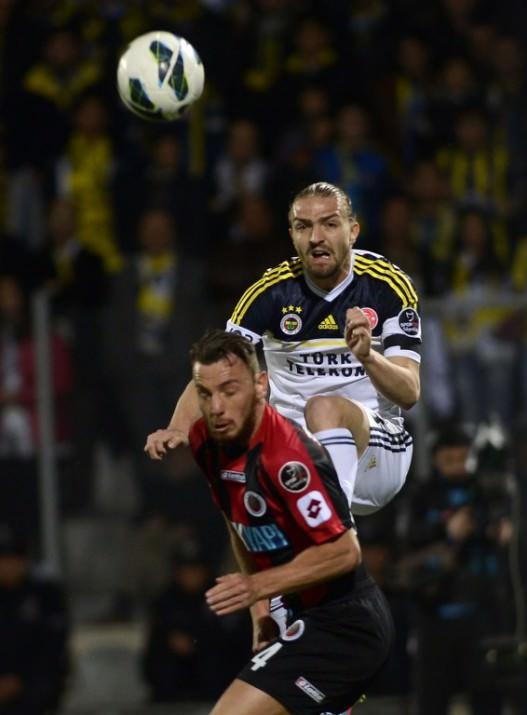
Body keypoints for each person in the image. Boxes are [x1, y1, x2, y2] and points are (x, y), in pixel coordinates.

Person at [145, 181, 421, 519]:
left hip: (377, 456)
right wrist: (177, 427)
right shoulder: (270, 293)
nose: (316, 237)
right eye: (304, 227)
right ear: (292, 235)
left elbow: (409, 393)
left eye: (329, 224)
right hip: (297, 458)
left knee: (323, 407)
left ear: (353, 231)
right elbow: (217, 372)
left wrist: (368, 357)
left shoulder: (386, 286)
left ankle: (332, 526)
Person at [185, 329, 394, 714]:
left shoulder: (288, 458)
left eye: (229, 391)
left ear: (260, 385)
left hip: (347, 626)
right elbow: (240, 525)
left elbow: (345, 552)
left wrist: (256, 586)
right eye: (205, 393)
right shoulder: (206, 442)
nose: (216, 407)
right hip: (304, 616)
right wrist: (261, 613)